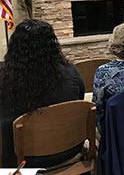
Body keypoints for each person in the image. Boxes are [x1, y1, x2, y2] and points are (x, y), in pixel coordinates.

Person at [0, 19, 85, 168]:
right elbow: (80, 100)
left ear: (15, 46)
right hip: (70, 150)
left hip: (21, 160)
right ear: (53, 44)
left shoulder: (4, 80)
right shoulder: (72, 72)